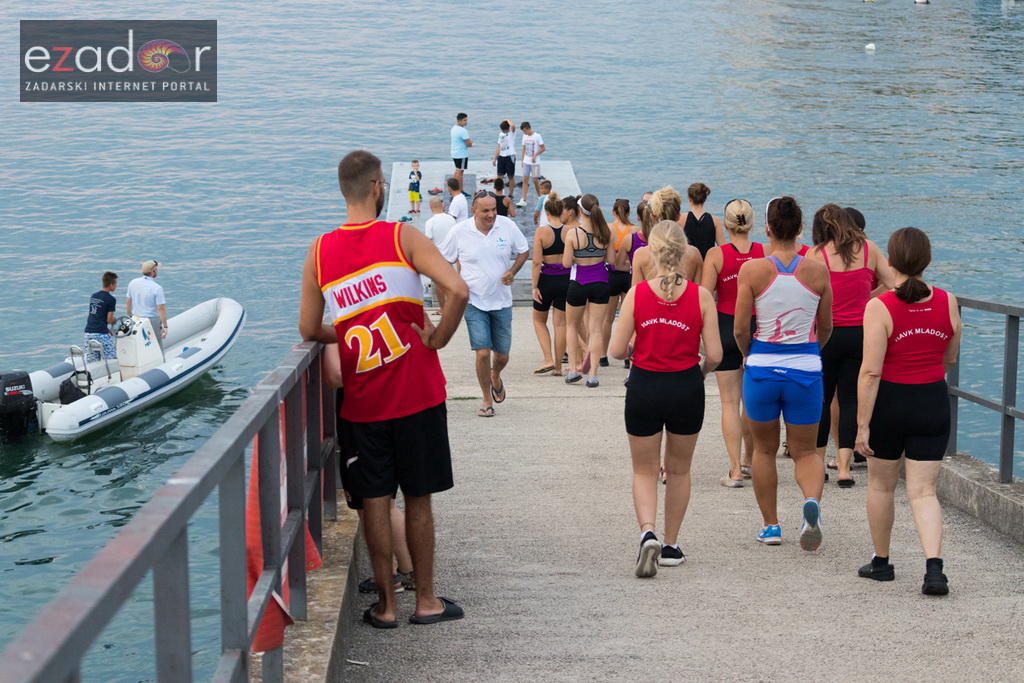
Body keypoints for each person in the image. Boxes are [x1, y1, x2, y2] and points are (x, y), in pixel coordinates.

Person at [298, 150, 469, 628]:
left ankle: (387, 607)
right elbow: (458, 290)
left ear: (344, 190)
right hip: (418, 394)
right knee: (418, 498)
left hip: (363, 404)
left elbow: (309, 327)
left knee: (374, 501)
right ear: (378, 187)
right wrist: (437, 337)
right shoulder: (403, 236)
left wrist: (352, 323)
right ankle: (428, 602)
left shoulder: (319, 251)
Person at [610, 220, 722, 577]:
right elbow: (716, 355)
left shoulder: (638, 294)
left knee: (644, 470)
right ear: (684, 249)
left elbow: (615, 350)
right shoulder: (701, 296)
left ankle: (647, 532)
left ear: (653, 251)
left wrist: (636, 344)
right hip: (685, 386)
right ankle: (672, 545)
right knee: (679, 469)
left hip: (644, 385)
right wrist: (698, 373)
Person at [855, 227, 961, 596]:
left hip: (890, 402)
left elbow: (870, 371)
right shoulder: (947, 301)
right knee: (923, 491)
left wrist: (862, 425)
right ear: (927, 260)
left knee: (882, 485)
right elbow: (950, 356)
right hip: (932, 400)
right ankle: (934, 569)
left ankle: (882, 563)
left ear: (891, 259)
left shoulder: (879, 306)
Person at [734, 196, 833, 551]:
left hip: (762, 366)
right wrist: (810, 351)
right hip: (805, 368)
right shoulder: (818, 270)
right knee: (806, 452)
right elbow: (826, 326)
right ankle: (811, 503)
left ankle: (771, 526)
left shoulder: (753, 270)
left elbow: (741, 329)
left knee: (763, 450)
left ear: (768, 230)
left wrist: (750, 356)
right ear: (801, 229)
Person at [807, 204, 894, 487]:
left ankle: (818, 465)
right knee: (849, 400)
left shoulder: (816, 254)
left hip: (826, 334)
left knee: (821, 399)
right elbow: (894, 283)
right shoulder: (868, 248)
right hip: (860, 334)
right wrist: (869, 297)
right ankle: (844, 468)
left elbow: (804, 292)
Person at [322, 343, 417, 596]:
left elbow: (335, 376)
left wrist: (327, 340)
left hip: (361, 422)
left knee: (369, 504)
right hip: (388, 413)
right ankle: (409, 572)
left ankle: (391, 576)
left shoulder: (346, 328)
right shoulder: (381, 323)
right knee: (386, 501)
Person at [439, 193, 529, 417]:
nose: (491, 215)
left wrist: (512, 271)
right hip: (473, 301)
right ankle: (486, 398)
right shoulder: (459, 231)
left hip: (501, 300)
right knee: (482, 353)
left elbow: (523, 250)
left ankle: (495, 375)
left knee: (502, 356)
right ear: (474, 211)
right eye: (485, 211)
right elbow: (442, 261)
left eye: (493, 210)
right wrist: (453, 289)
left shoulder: (506, 225)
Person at [701, 199, 764, 487]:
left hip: (726, 326)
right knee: (751, 403)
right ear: (752, 224)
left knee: (729, 402)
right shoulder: (765, 253)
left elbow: (704, 297)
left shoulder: (716, 255)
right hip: (756, 328)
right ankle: (750, 460)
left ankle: (735, 470)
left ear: (725, 225)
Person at [562, 194, 612, 387]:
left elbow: (566, 263)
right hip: (601, 282)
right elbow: (612, 261)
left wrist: (579, 258)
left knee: (572, 326)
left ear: (580, 211)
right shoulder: (606, 232)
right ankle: (593, 374)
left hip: (579, 283)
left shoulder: (573, 234)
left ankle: (574, 370)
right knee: (596, 329)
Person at [530, 193, 570, 376]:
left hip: (547, 280)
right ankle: (559, 367)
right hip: (566, 280)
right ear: (561, 211)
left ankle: (548, 359)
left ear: (546, 212)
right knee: (560, 324)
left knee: (539, 320)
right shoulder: (570, 230)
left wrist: (534, 286)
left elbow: (537, 262)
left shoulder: (541, 232)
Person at [631, 187, 703, 285]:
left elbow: (637, 296)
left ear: (652, 216)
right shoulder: (694, 254)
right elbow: (698, 294)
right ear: (678, 216)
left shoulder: (640, 255)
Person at [601, 198, 635, 368]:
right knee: (629, 318)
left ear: (613, 212)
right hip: (629, 276)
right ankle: (629, 356)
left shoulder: (608, 229)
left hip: (612, 276)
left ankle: (602, 355)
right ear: (629, 213)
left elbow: (607, 256)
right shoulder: (636, 229)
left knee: (607, 319)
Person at [125, 260, 167, 353]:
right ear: (153, 271)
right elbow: (161, 309)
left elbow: (128, 302)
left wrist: (130, 317)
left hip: (136, 319)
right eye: (156, 269)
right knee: (157, 346)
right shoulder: (157, 288)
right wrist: (165, 326)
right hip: (152, 320)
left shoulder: (133, 283)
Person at [424, 197, 458, 309]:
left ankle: (443, 309)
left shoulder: (430, 222)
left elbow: (428, 240)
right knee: (451, 282)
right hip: (451, 255)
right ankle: (453, 306)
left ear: (430, 207)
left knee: (438, 283)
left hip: (438, 256)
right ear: (442, 205)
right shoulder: (451, 219)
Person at [682, 182, 726, 259]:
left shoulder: (681, 218)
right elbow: (723, 249)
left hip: (689, 265)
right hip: (708, 264)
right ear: (705, 199)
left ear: (689, 198)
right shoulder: (715, 220)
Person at [84, 271, 118, 361]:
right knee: (112, 359)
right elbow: (109, 320)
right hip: (101, 334)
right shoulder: (111, 299)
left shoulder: (94, 296)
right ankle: (114, 374)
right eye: (115, 283)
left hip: (88, 333)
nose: (116, 286)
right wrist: (114, 320)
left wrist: (107, 330)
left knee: (93, 361)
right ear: (111, 284)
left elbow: (96, 316)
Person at [516, 122, 545, 207]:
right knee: (525, 179)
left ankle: (540, 197)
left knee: (535, 179)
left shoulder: (537, 136)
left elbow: (543, 148)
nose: (524, 133)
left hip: (535, 163)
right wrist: (522, 160)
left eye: (525, 131)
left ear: (529, 129)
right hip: (526, 161)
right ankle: (523, 199)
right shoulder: (524, 136)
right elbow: (524, 148)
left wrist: (535, 155)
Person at [492, 119, 517, 195]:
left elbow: (513, 125)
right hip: (501, 156)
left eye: (505, 130)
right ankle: (499, 193)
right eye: (502, 130)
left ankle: (510, 194)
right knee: (499, 176)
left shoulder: (512, 133)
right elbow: (499, 146)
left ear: (508, 129)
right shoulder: (501, 134)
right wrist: (495, 158)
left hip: (510, 156)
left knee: (510, 177)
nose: (503, 131)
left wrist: (507, 120)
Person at [450, 113, 472, 186]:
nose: (466, 122)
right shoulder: (463, 131)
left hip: (454, 153)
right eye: (464, 120)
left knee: (457, 170)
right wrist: (471, 142)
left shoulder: (453, 128)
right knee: (460, 172)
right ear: (459, 121)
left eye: (466, 120)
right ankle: (459, 190)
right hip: (461, 154)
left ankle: (452, 187)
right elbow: (469, 143)